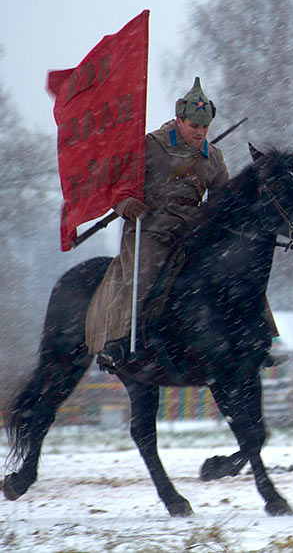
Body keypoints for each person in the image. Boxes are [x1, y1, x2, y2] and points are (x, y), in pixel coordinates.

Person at [86, 77, 230, 373]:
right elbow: (116, 185)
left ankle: (257, 337)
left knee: (235, 266)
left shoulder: (213, 157)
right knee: (142, 275)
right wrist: (127, 204)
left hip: (192, 231)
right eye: (194, 126)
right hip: (150, 228)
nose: (200, 132)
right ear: (179, 120)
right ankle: (118, 342)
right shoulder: (149, 146)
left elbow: (222, 198)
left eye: (204, 127)